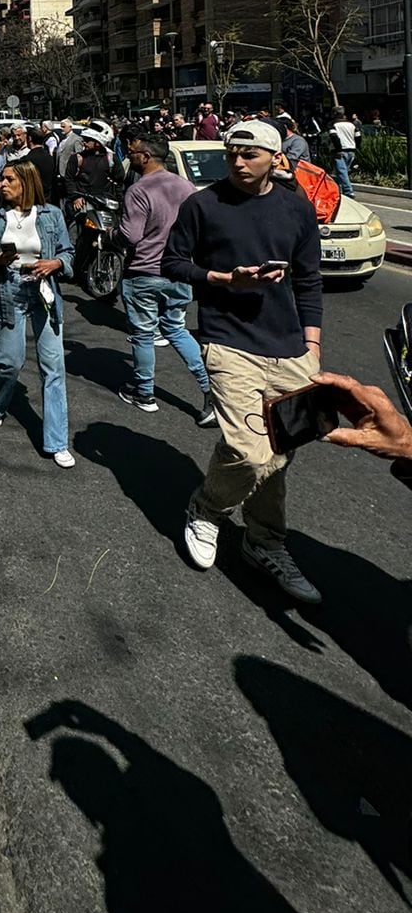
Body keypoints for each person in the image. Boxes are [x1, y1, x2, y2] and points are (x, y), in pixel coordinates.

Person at [161, 119, 323, 603]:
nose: (237, 161)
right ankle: (207, 510)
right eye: (232, 152)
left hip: (290, 349)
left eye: (249, 154)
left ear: (275, 158)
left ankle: (264, 541)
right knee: (248, 450)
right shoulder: (203, 204)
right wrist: (224, 279)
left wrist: (312, 349)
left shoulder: (296, 208)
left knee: (280, 455)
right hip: (228, 341)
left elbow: (309, 282)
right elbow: (173, 262)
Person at [0, 162, 75, 467]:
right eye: (1, 179)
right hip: (9, 289)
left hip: (44, 292)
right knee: (9, 360)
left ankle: (57, 441)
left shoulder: (51, 215)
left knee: (53, 366)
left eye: (9, 179)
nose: (1, 184)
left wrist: (55, 264)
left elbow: (67, 252)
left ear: (26, 182)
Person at [117, 134, 213, 422]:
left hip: (144, 271)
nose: (129, 156)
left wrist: (110, 233)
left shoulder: (138, 189)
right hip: (179, 270)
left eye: (132, 152)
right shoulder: (185, 186)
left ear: (146, 156)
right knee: (176, 329)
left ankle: (144, 393)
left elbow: (130, 235)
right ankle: (210, 389)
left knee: (143, 334)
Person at [63, 122, 116, 212]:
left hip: (105, 204)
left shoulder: (111, 158)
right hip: (83, 204)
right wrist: (76, 197)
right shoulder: (77, 158)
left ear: (98, 143)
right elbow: (69, 179)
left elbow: (118, 180)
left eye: (87, 140)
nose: (84, 143)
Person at [328, 108, 356, 194]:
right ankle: (340, 191)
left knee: (341, 172)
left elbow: (334, 137)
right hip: (351, 150)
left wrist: (338, 149)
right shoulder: (351, 124)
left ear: (334, 114)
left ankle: (348, 191)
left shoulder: (332, 124)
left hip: (339, 150)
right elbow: (358, 136)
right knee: (344, 172)